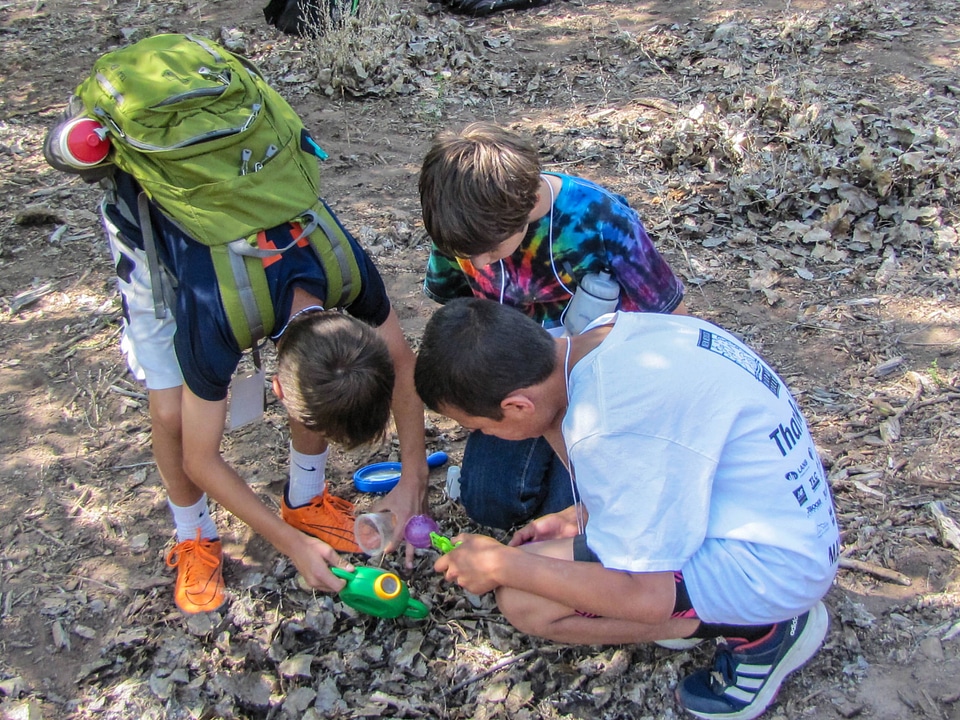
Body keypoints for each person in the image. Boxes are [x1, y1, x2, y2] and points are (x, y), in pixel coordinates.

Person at [44, 118, 431, 614]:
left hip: (244, 211)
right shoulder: (213, 322)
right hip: (152, 230)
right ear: (275, 389)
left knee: (320, 376)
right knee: (170, 412)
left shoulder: (346, 269)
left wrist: (413, 476)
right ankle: (194, 535)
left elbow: (402, 364)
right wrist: (291, 546)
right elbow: (199, 459)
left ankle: (306, 498)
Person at [414, 298, 840, 720]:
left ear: (518, 406)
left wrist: (502, 565)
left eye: (482, 429)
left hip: (776, 571)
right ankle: (715, 608)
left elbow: (647, 597)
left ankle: (760, 629)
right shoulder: (603, 336)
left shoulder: (603, 426)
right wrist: (581, 513)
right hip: (776, 526)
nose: (486, 436)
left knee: (527, 603)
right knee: (529, 585)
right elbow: (668, 457)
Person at [419, 122, 687, 530]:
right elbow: (458, 315)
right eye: (465, 255)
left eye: (492, 250)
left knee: (582, 510)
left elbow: (672, 322)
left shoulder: (599, 221)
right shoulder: (463, 226)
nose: (481, 265)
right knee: (489, 501)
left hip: (597, 384)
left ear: (527, 205)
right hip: (514, 381)